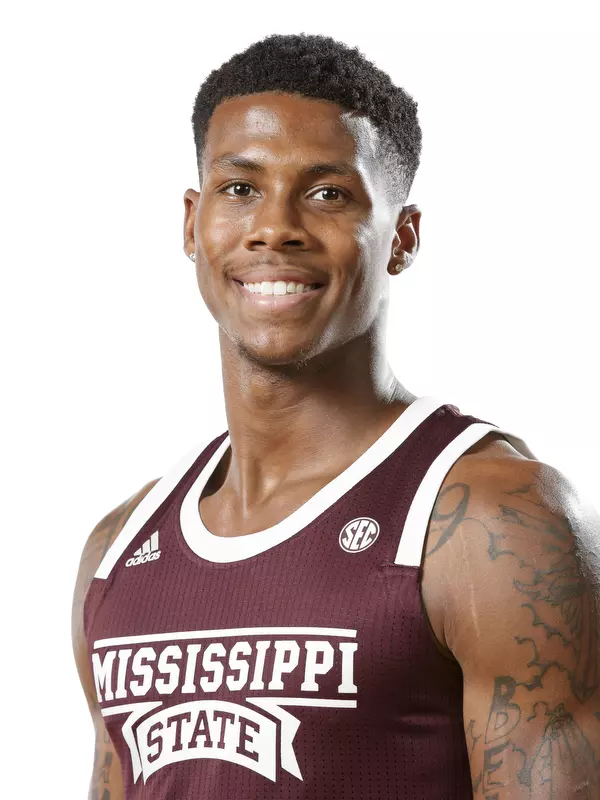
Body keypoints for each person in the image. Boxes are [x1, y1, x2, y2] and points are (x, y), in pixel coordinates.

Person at [71, 32, 600, 800]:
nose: (275, 226)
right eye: (240, 188)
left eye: (328, 194)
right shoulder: (117, 550)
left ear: (403, 237)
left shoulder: (491, 521)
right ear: (192, 223)